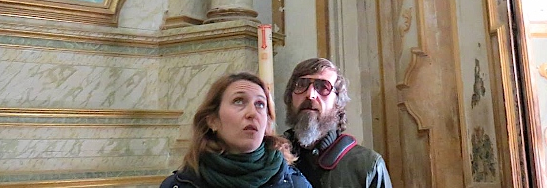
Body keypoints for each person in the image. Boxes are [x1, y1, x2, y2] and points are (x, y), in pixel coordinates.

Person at [159, 72, 312, 188]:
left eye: (260, 104)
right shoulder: (180, 184)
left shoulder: (295, 183)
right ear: (212, 120)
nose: (252, 113)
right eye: (239, 101)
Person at [283, 58, 391, 188]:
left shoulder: (368, 166)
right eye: (301, 85)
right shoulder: (272, 158)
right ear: (290, 97)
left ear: (338, 103)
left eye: (323, 87)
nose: (310, 94)